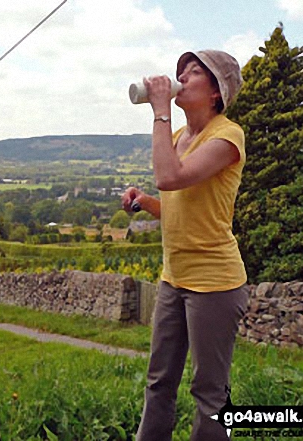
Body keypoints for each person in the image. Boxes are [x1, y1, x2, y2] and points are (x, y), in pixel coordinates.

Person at [122, 50, 248, 441]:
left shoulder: (227, 136)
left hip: (214, 282)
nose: (182, 76)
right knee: (159, 381)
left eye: (195, 73)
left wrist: (160, 111)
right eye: (183, 71)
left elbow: (169, 176)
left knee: (208, 394)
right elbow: (177, 203)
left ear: (216, 93)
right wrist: (144, 202)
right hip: (172, 279)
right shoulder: (180, 138)